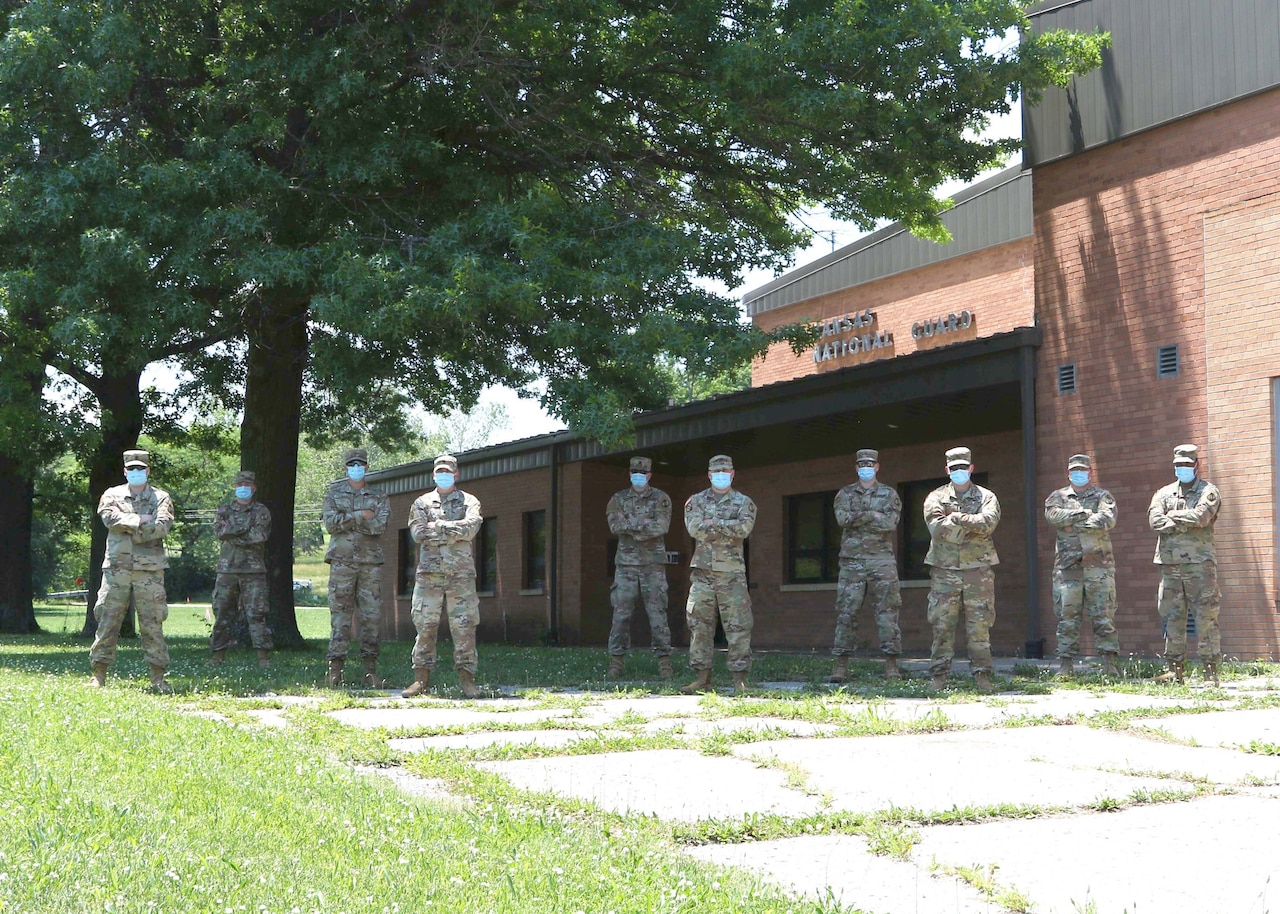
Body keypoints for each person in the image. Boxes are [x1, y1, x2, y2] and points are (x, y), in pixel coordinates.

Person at [88, 449, 175, 693]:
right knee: (108, 620)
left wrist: (126, 524)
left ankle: (158, 677)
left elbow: (162, 526)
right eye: (131, 469)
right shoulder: (111, 494)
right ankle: (98, 674)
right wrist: (139, 519)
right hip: (117, 568)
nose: (136, 472)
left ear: (148, 470)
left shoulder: (161, 497)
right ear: (125, 471)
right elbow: (108, 518)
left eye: (140, 468)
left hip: (150, 570)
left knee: (152, 622)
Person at [402, 455, 484, 699]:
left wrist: (437, 526)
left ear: (456, 474)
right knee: (425, 627)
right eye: (439, 472)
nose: (443, 475)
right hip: (429, 576)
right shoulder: (421, 503)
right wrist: (455, 530)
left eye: (448, 472)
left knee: (464, 627)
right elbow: (418, 534)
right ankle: (420, 679)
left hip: (461, 576)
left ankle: (467, 680)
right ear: (433, 475)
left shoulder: (470, 501)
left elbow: (471, 528)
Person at [923, 446, 1001, 693]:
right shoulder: (936, 497)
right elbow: (937, 528)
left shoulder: (986, 497)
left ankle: (982, 675)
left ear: (971, 468)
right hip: (944, 570)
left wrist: (957, 518)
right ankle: (939, 676)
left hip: (978, 570)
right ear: (947, 470)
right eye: (954, 468)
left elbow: (989, 523)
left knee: (980, 625)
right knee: (942, 624)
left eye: (963, 467)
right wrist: (971, 524)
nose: (959, 471)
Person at [1148, 444, 1223, 685]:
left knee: (1205, 617)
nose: (1182, 468)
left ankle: (1210, 672)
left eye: (1187, 464)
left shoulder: (1208, 491)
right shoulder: (1163, 493)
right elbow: (1154, 521)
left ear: (1196, 465)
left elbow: (1201, 517)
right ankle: (1174, 671)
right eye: (1178, 465)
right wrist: (1183, 520)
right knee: (1172, 617)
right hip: (1170, 566)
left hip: (1199, 566)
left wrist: (1172, 516)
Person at [682, 454, 757, 694]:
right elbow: (695, 529)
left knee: (738, 626)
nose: (721, 475)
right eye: (716, 471)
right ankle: (702, 678)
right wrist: (727, 525)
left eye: (725, 471)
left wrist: (712, 522)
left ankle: (739, 679)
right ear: (709, 475)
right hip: (702, 574)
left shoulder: (744, 502)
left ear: (732, 474)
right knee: (699, 625)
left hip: (732, 574)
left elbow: (744, 529)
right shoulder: (695, 501)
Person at [827, 448, 903, 683]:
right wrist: (873, 515)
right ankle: (841, 665)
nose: (866, 468)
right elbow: (843, 520)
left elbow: (890, 523)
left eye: (870, 465)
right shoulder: (845, 494)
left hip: (882, 561)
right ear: (856, 468)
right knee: (847, 612)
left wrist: (859, 517)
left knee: (888, 612)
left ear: (877, 467)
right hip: (852, 562)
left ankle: (891, 665)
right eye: (862, 465)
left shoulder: (889, 494)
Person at [1044, 454, 1119, 677]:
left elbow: (1107, 520)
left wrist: (1071, 523)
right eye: (1075, 470)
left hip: (1099, 567)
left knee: (1103, 617)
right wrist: (1085, 514)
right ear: (1068, 473)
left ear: (1090, 472)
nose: (1079, 474)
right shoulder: (1057, 497)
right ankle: (1066, 666)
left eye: (1083, 470)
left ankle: (1109, 665)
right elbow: (1053, 516)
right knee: (1067, 619)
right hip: (1068, 568)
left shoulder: (1103, 496)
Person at [322, 448, 391, 688]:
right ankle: (335, 671)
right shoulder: (334, 494)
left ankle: (370, 671)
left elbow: (380, 526)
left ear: (366, 467)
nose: (356, 468)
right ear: (345, 468)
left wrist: (347, 519)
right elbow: (331, 524)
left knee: (371, 617)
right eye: (352, 464)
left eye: (360, 464)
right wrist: (361, 515)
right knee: (339, 616)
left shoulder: (379, 496)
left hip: (370, 564)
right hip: (341, 562)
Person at [605, 456, 674, 680]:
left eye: (643, 473)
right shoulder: (618, 499)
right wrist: (644, 524)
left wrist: (631, 526)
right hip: (625, 566)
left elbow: (661, 526)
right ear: (629, 474)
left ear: (649, 475)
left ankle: (664, 662)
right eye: (635, 472)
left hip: (653, 565)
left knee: (658, 614)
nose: (638, 476)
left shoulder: (661, 498)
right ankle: (616, 662)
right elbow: (615, 525)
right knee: (621, 614)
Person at [208, 470, 273, 668]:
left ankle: (263, 658)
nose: (243, 488)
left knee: (257, 614)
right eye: (240, 485)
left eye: (247, 485)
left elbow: (259, 535)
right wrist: (244, 530)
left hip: (253, 571)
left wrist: (233, 533)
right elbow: (219, 532)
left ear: (254, 488)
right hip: (227, 570)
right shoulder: (224, 510)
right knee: (222, 613)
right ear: (235, 487)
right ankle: (217, 655)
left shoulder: (261, 511)